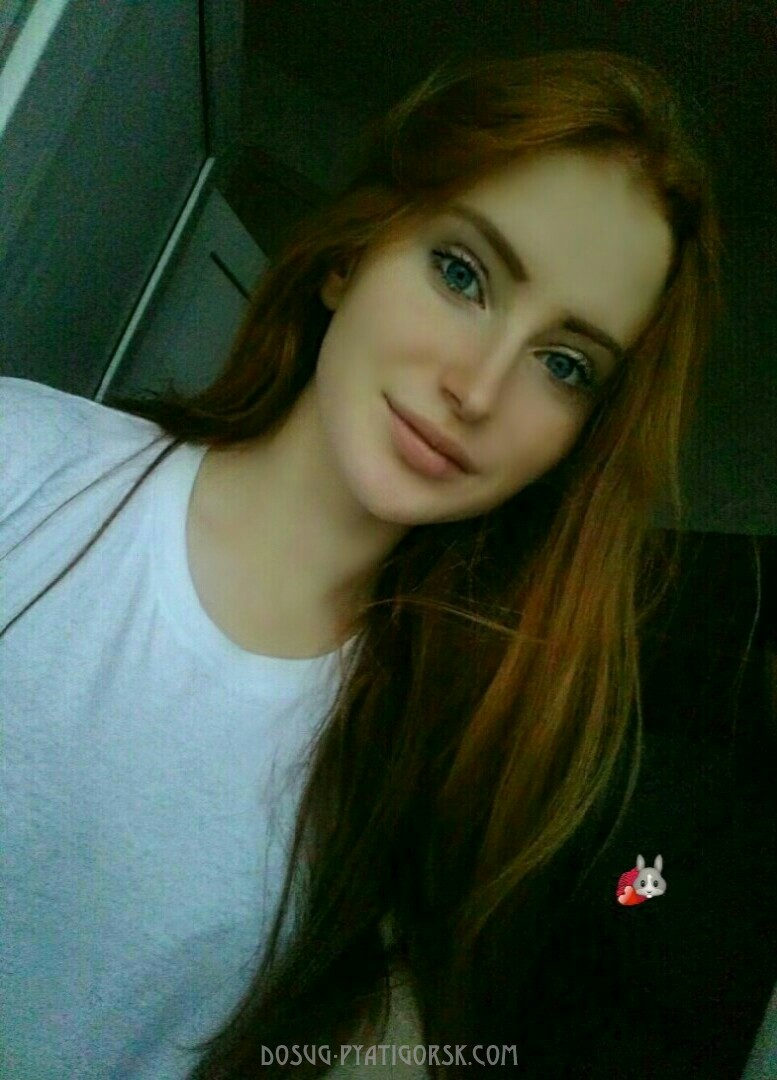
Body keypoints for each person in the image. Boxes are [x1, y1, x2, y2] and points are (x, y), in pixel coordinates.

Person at [1, 48, 728, 1078]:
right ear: (350, 255)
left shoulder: (429, 778)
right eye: (463, 273)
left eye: (564, 364)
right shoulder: (21, 460)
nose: (478, 388)